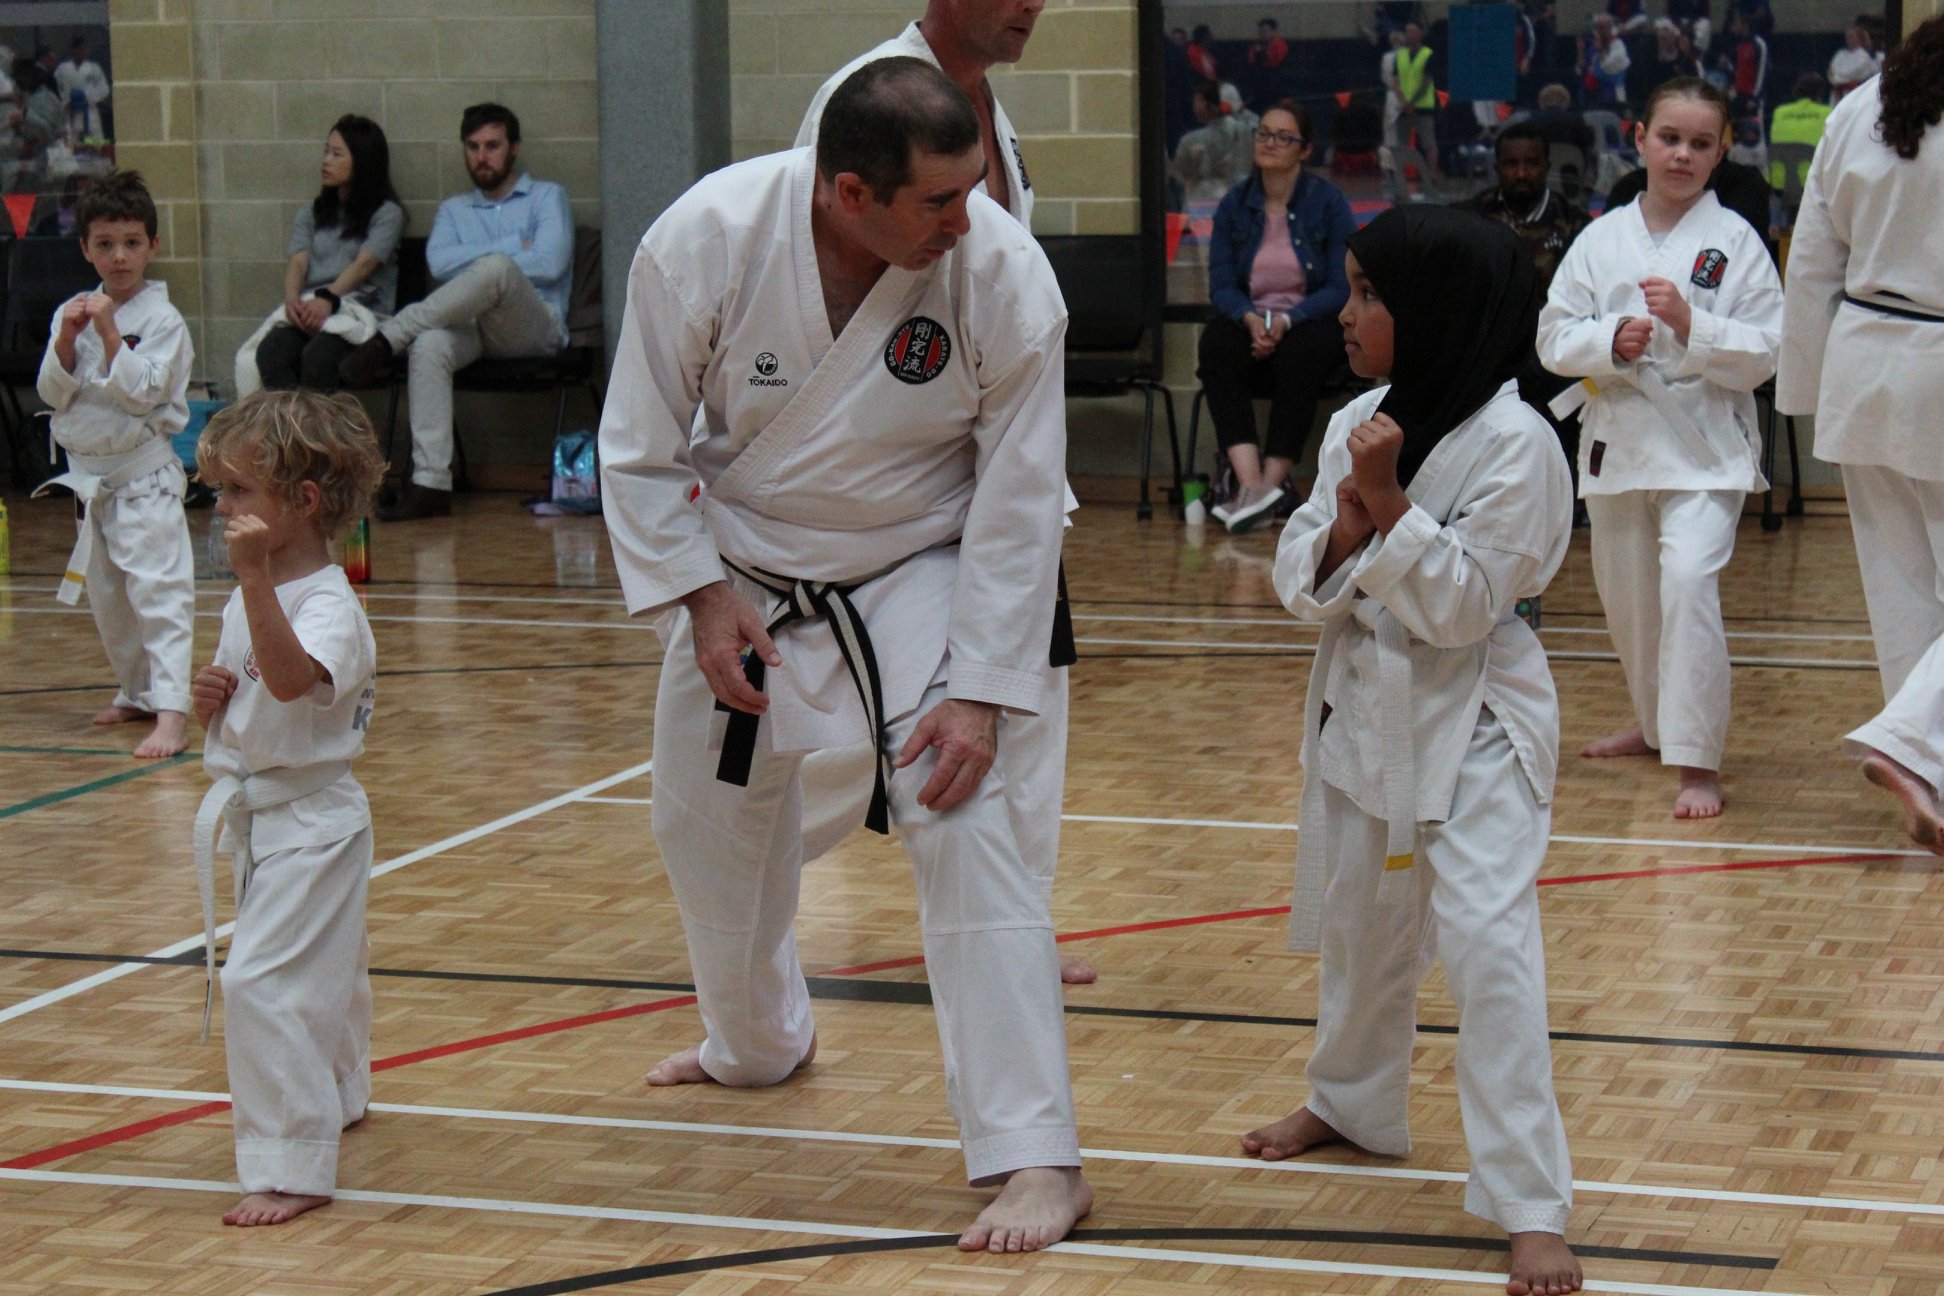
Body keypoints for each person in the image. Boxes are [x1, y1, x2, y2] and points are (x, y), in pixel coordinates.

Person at [598, 57, 1093, 1253]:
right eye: (939, 200)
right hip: (747, 571)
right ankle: (757, 1042)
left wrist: (980, 691)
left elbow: (1023, 498)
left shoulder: (1000, 273)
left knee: (963, 816)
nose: (968, 219)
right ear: (848, 192)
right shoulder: (705, 240)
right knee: (702, 831)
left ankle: (1037, 1155)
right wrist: (700, 599)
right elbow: (639, 449)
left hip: (920, 562)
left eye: (972, 189)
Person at [1248, 206, 1580, 1296]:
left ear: (1438, 311)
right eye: (1349, 288)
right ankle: (1349, 1101)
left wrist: (1388, 504)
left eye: (1371, 294)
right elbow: (1299, 578)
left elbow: (1468, 608)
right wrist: (1349, 525)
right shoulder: (1362, 416)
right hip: (1366, 708)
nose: (1348, 315)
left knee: (1489, 952)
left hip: (1480, 723)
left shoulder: (1520, 443)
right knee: (1362, 923)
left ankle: (1530, 1204)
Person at [791, 0, 1098, 988]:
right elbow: (819, 295)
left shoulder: (987, 113)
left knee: (1026, 699)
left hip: (1000, 466)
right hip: (893, 487)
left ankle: (1014, 930)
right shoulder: (868, 102)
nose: (1030, 5)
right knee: (842, 740)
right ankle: (749, 892)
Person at [1537, 77, 1783, 820]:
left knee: (1687, 584)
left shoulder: (1735, 241)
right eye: (1670, 138)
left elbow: (1768, 351)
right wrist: (1609, 340)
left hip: (1704, 447)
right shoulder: (1600, 237)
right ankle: (1653, 725)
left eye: (1700, 143)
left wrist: (1690, 325)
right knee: (1630, 602)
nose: (1682, 154)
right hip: (1619, 441)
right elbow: (1552, 337)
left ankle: (1697, 759)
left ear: (1721, 151)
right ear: (1639, 138)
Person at [191, 389, 387, 1227]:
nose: (221, 507)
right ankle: (339, 1091)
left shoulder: (329, 604)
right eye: (220, 491)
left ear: (303, 501)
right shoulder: (261, 590)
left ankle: (293, 1161)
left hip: (313, 821)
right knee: (328, 971)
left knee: (262, 981)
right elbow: (255, 693)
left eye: (239, 491)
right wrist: (212, 699)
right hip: (268, 816)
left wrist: (250, 582)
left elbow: (291, 680)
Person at [1778, 17, 1944, 852]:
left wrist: (1804, 391)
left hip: (1863, 358)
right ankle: (1909, 745)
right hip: (1937, 364)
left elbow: (1813, 256)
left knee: (1903, 593)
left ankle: (1928, 778)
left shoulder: (1864, 106)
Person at [337, 103, 572, 521]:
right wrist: (515, 246)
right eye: (473, 146)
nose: (482, 156)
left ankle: (390, 337)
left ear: (514, 148)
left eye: (493, 146)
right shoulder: (453, 210)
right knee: (429, 344)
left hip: (532, 327)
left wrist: (493, 260)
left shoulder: (547, 197)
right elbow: (439, 264)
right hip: (472, 327)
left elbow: (550, 263)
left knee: (497, 271)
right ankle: (430, 485)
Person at [35, 171, 194, 760]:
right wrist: (66, 341)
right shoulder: (69, 312)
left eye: (131, 242)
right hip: (91, 483)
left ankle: (173, 713)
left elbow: (145, 394)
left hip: (143, 481)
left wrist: (107, 334)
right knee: (111, 602)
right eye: (105, 244)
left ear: (153, 245)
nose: (119, 256)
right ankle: (138, 692)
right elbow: (51, 394)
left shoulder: (164, 321)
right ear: (86, 248)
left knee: (159, 595)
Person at [1198, 102, 1357, 533]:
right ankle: (1251, 485)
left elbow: (1341, 286)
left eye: (1283, 137)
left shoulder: (1328, 203)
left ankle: (1271, 483)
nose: (1269, 143)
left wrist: (1288, 320)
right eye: (1264, 134)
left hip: (1309, 321)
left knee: (1302, 353)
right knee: (1215, 344)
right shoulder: (1234, 204)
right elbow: (1222, 285)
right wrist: (1251, 319)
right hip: (1252, 321)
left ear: (1304, 150)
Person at [1452, 122, 1591, 488]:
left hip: (1553, 344)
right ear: (1497, 167)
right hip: (1487, 345)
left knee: (1569, 382)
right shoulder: (1469, 217)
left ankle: (1564, 489)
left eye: (1531, 163)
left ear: (1547, 166)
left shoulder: (1574, 223)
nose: (1522, 173)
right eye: (1511, 164)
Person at [252, 115, 404, 394]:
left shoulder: (387, 214)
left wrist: (329, 298)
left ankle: (318, 424)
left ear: (362, 161)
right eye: (326, 151)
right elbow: (298, 260)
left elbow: (364, 264)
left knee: (318, 357)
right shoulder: (311, 213)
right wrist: (292, 299)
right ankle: (290, 421)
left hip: (360, 312)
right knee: (271, 351)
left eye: (337, 154)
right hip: (313, 309)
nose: (326, 161)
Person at [1172, 81, 1257, 206]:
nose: (1194, 107)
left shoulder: (1192, 140)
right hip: (1242, 201)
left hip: (1202, 204)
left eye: (1198, 100)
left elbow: (1181, 174)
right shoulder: (1254, 131)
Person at [1767, 73, 1831, 197]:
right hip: (1811, 184)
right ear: (1820, 92)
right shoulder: (1827, 113)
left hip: (1780, 183)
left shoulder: (1779, 112)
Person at [1394, 22, 1442, 177]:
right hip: (1403, 107)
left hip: (1422, 106)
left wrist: (1412, 102)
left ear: (1421, 34)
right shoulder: (1400, 55)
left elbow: (1426, 81)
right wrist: (1403, 100)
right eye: (1407, 32)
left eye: (1413, 31)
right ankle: (1402, 176)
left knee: (1428, 143)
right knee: (1402, 144)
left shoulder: (1428, 54)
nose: (1409, 35)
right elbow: (1396, 80)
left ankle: (1431, 174)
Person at [53, 34, 108, 141]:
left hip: (90, 111)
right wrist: (66, 101)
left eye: (84, 49)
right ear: (73, 50)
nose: (83, 52)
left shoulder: (93, 68)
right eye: (80, 49)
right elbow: (57, 88)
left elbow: (104, 89)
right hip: (70, 111)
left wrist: (88, 99)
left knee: (94, 141)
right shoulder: (62, 69)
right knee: (71, 140)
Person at [1579, 14, 1630, 106]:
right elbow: (1584, 66)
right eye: (1596, 27)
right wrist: (1581, 51)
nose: (1598, 31)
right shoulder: (1593, 46)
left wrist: (1600, 52)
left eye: (1602, 27)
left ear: (1610, 28)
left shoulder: (1618, 45)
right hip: (1592, 95)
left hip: (1612, 95)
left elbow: (1609, 66)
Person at [1827, 22, 1882, 102]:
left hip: (1854, 92)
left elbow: (1853, 73)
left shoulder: (1864, 55)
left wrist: (1838, 78)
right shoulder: (1840, 54)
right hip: (1837, 93)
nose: (1849, 39)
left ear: (1860, 38)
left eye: (1852, 36)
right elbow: (1831, 71)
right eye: (1847, 37)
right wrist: (1835, 79)